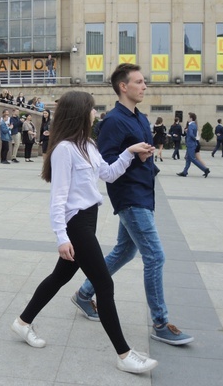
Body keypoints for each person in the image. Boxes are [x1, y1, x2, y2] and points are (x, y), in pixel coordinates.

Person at [11, 90, 158, 375]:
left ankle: (22, 322)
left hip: (88, 218)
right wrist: (61, 237)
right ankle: (124, 354)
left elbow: (108, 173)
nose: (95, 113)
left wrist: (129, 153)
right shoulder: (64, 149)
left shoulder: (88, 145)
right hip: (76, 223)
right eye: (91, 109)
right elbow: (58, 197)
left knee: (59, 277)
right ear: (80, 112)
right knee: (104, 285)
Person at [72, 64, 194, 347]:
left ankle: (83, 293)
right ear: (123, 87)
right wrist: (132, 156)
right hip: (129, 197)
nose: (144, 86)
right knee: (155, 256)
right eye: (139, 82)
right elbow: (105, 163)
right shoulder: (114, 120)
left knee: (125, 251)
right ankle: (161, 323)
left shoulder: (139, 117)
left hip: (144, 193)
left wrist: (144, 156)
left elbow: (137, 153)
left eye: (144, 82)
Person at [177, 113, 210, 178]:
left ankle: (205, 169)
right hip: (192, 144)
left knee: (192, 158)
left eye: (188, 117)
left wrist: (193, 138)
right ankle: (185, 172)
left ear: (191, 118)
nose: (187, 119)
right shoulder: (194, 125)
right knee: (188, 158)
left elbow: (192, 134)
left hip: (191, 144)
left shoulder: (191, 125)